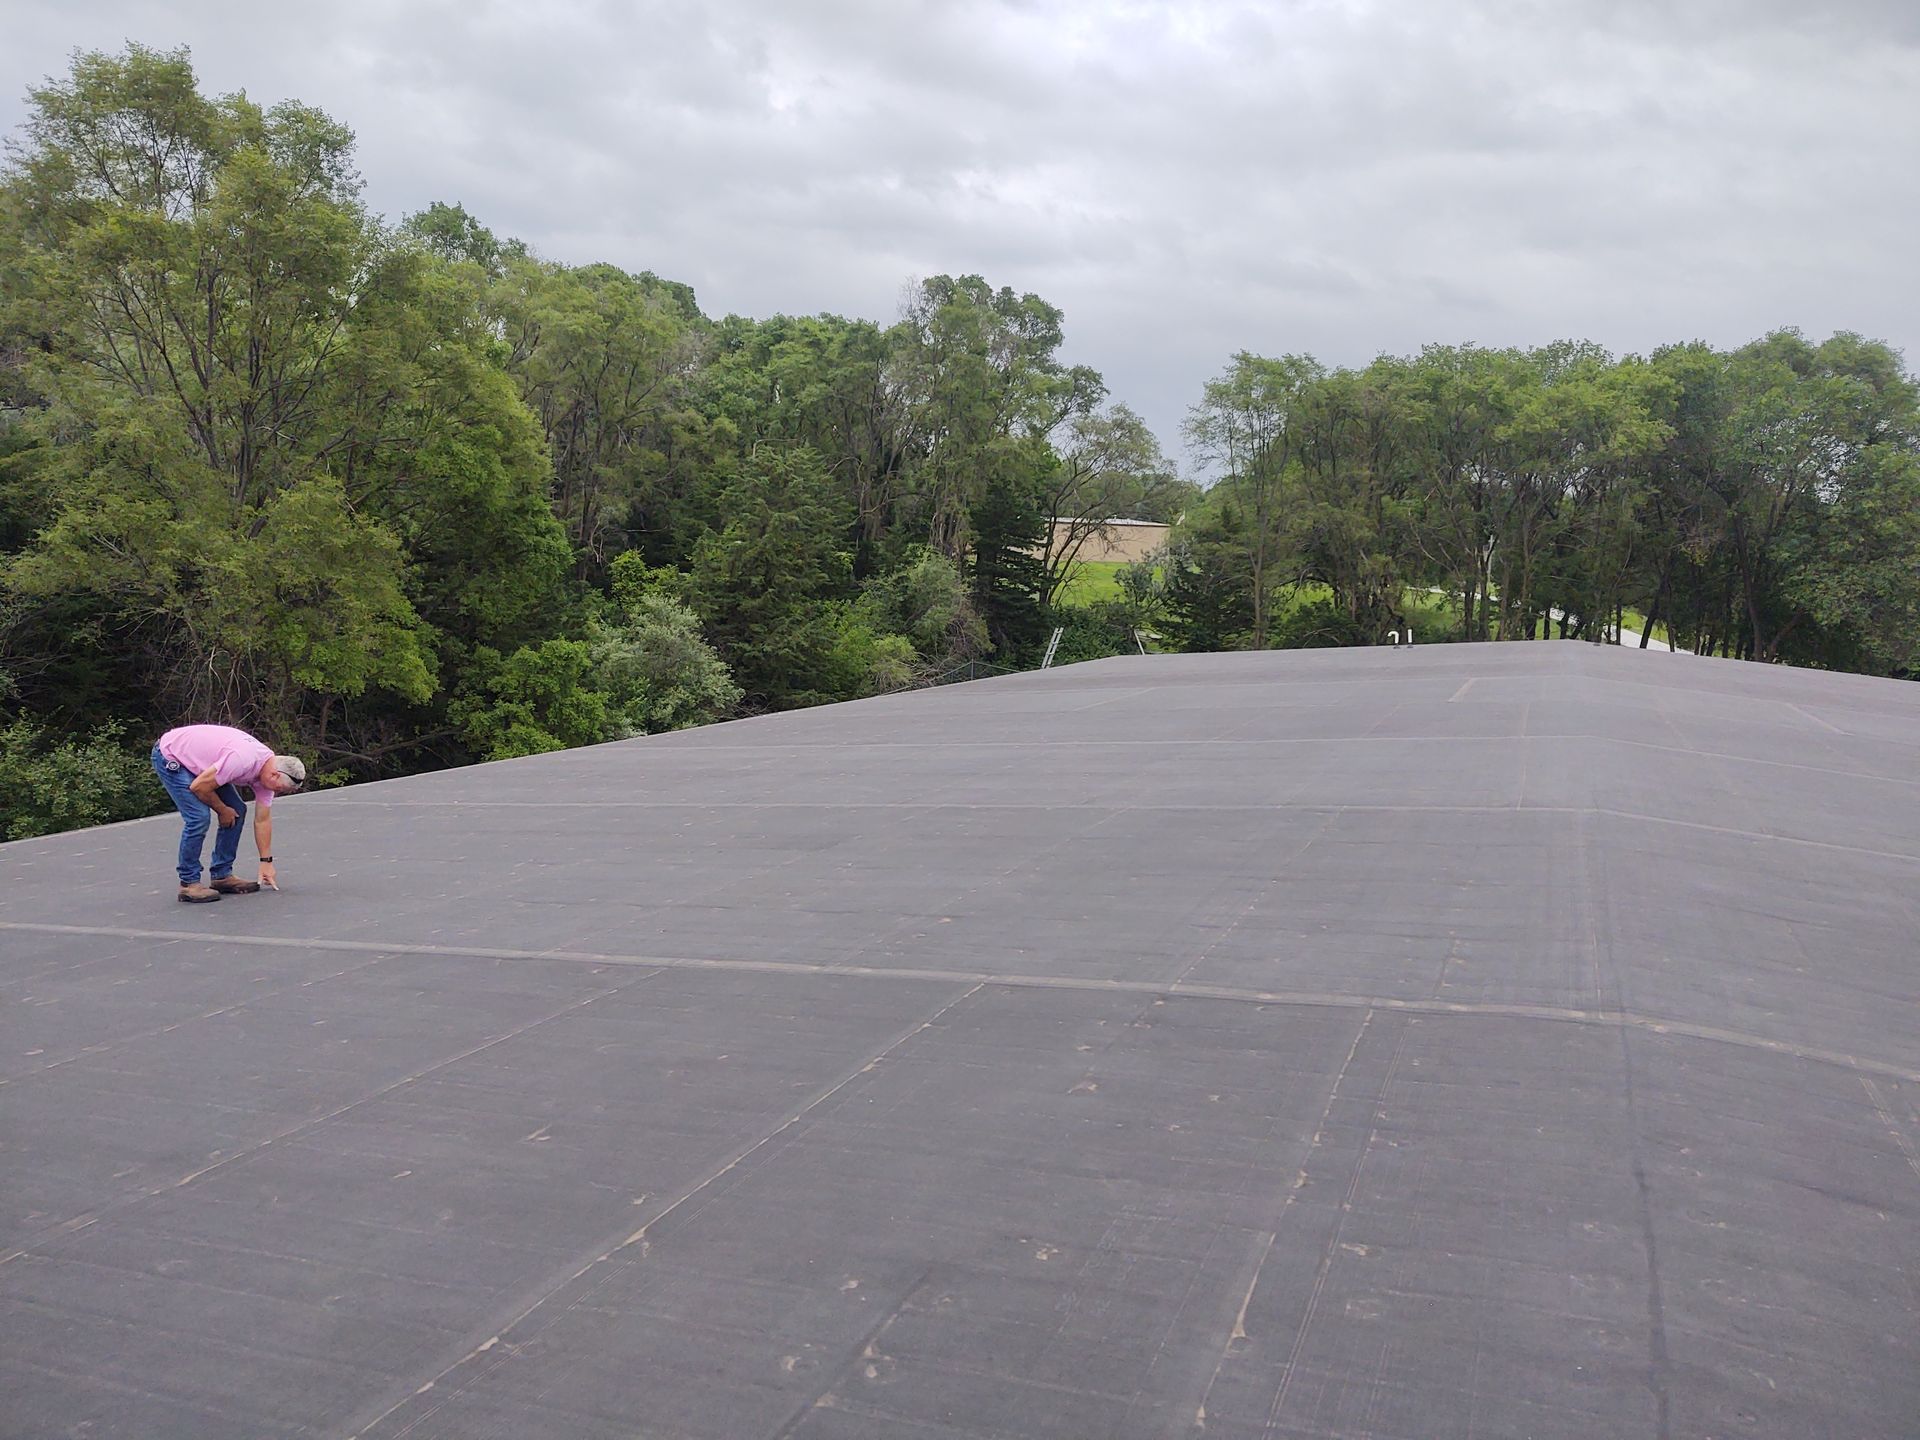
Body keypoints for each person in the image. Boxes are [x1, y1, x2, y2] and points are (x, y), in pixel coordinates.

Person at [151, 724, 306, 903]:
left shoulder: (268, 776)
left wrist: (266, 862)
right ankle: (188, 883)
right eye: (279, 789)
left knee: (237, 810)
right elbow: (198, 787)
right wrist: (222, 810)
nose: (276, 792)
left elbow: (262, 820)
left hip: (204, 764)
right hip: (172, 755)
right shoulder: (242, 760)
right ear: (274, 775)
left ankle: (221, 875)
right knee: (198, 817)